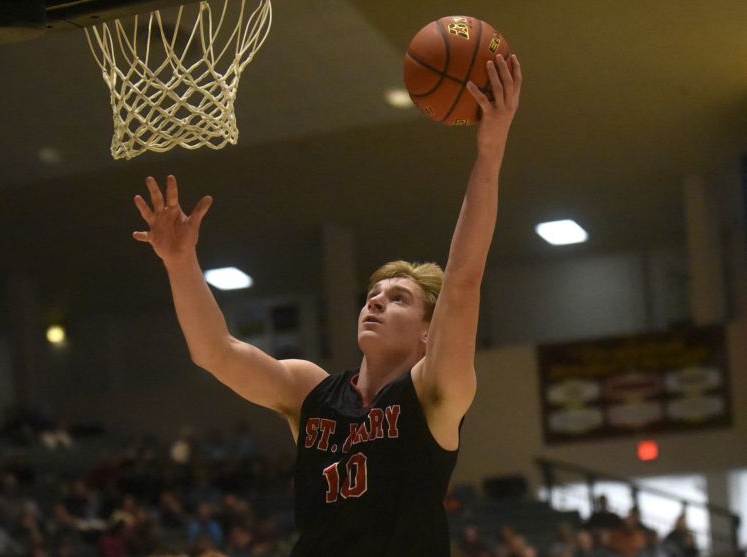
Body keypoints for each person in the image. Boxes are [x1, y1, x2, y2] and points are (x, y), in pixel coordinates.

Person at [132, 52, 522, 557]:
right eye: (373, 296)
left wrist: (490, 150)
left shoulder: (435, 393)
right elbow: (215, 351)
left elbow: (464, 281)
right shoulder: (308, 391)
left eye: (398, 298)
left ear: (430, 330)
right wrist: (180, 262)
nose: (376, 303)